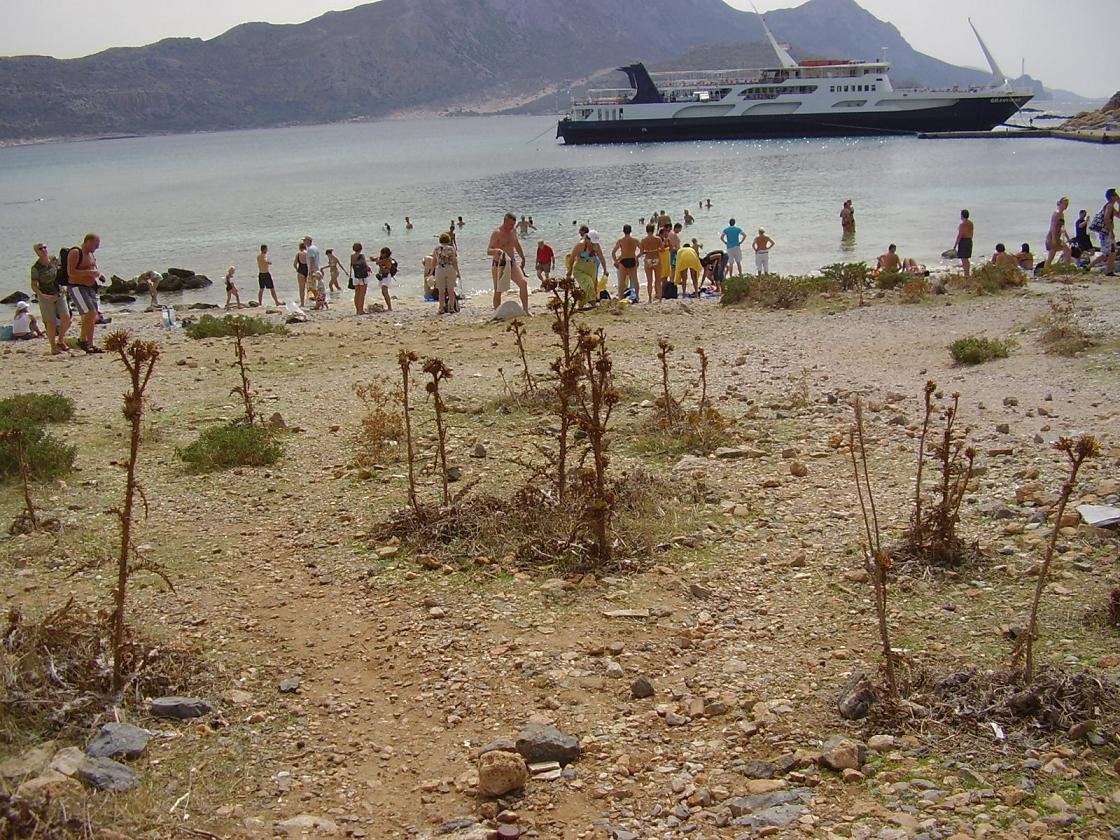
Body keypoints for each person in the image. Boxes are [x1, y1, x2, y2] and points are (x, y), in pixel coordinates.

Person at [66, 233, 105, 354]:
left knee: (92, 316)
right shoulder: (75, 252)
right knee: (90, 312)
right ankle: (83, 340)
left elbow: (93, 269)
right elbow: (71, 272)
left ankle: (90, 344)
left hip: (90, 288)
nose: (97, 247)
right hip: (77, 287)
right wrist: (88, 273)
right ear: (88, 241)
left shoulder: (91, 254)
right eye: (96, 244)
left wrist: (99, 275)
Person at [30, 242, 72, 354]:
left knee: (66, 318)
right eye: (40, 249)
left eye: (44, 247)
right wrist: (41, 295)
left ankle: (61, 340)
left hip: (59, 292)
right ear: (37, 252)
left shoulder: (53, 259)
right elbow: (34, 285)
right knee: (50, 322)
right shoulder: (36, 268)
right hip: (45, 296)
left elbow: (61, 271)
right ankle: (53, 347)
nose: (43, 250)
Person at [487, 212, 531, 313]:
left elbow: (516, 244)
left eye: (513, 224)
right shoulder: (497, 233)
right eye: (511, 224)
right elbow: (488, 251)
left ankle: (526, 310)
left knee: (523, 283)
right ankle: (497, 312)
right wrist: (497, 251)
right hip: (499, 264)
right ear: (505, 222)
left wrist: (523, 257)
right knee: (498, 290)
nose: (512, 227)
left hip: (512, 262)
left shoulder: (513, 231)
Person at [567, 226, 607, 303]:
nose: (593, 244)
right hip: (580, 269)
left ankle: (582, 304)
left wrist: (605, 270)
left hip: (592, 268)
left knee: (592, 287)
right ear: (587, 239)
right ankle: (593, 304)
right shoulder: (580, 245)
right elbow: (572, 258)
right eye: (592, 242)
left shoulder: (596, 246)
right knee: (589, 285)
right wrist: (569, 271)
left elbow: (601, 258)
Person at [1090, 188, 1119, 276]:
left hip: (1105, 233)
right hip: (1106, 233)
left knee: (1110, 252)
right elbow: (1106, 218)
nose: (1117, 196)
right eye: (1115, 195)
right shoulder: (1109, 206)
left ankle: (1108, 270)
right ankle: (1108, 271)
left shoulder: (1110, 206)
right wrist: (1111, 231)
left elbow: (1119, 215)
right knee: (1109, 252)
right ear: (1112, 197)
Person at [430, 232, 461, 315]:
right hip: (450, 268)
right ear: (448, 240)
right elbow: (454, 261)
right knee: (451, 290)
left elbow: (434, 262)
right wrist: (458, 272)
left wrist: (431, 272)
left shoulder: (436, 249)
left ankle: (441, 308)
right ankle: (451, 307)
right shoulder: (451, 249)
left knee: (441, 291)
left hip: (440, 269)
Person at [612, 224, 641, 300]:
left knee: (622, 281)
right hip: (632, 260)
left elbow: (613, 253)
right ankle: (637, 297)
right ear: (630, 231)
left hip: (624, 261)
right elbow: (642, 251)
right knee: (635, 280)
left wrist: (616, 262)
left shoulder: (621, 241)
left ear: (623, 231)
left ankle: (621, 298)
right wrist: (636, 257)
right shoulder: (635, 240)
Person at [1044, 197, 1072, 269]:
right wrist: (1053, 239)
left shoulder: (1062, 214)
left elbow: (1062, 228)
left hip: (1057, 238)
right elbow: (1053, 227)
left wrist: (1068, 238)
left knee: (1068, 251)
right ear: (1060, 203)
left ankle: (1067, 268)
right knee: (1051, 255)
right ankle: (1045, 270)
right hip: (1052, 237)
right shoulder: (1056, 214)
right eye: (1065, 204)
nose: (1066, 206)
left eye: (1067, 204)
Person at [639, 223, 662, 303]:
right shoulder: (658, 239)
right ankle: (660, 298)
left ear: (646, 230)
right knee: (658, 280)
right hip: (656, 258)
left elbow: (641, 252)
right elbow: (662, 249)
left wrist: (636, 257)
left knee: (649, 281)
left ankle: (649, 299)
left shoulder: (643, 240)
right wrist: (657, 249)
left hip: (648, 259)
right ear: (653, 230)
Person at [350, 242, 370, 315]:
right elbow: (365, 266)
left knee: (357, 293)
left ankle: (357, 309)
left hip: (356, 276)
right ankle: (361, 310)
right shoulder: (362, 256)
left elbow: (352, 265)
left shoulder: (352, 256)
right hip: (362, 277)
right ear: (361, 248)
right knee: (362, 294)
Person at [954, 209, 974, 278]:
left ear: (962, 215)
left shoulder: (962, 224)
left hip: (964, 241)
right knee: (966, 258)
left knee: (964, 259)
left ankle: (966, 274)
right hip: (969, 240)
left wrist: (955, 245)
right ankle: (967, 273)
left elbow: (960, 235)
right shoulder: (971, 223)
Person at [374, 247, 395, 312]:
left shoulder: (388, 259)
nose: (381, 254)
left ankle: (390, 307)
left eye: (382, 253)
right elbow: (377, 261)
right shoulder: (382, 259)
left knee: (384, 291)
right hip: (382, 276)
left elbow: (378, 263)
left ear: (385, 254)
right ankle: (389, 307)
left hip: (386, 276)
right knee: (384, 292)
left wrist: (376, 260)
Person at [293, 241, 308, 306]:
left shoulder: (298, 254)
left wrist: (297, 270)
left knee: (301, 289)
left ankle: (302, 303)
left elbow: (294, 264)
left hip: (301, 271)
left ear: (299, 247)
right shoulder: (308, 253)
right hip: (308, 271)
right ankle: (310, 301)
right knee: (310, 288)